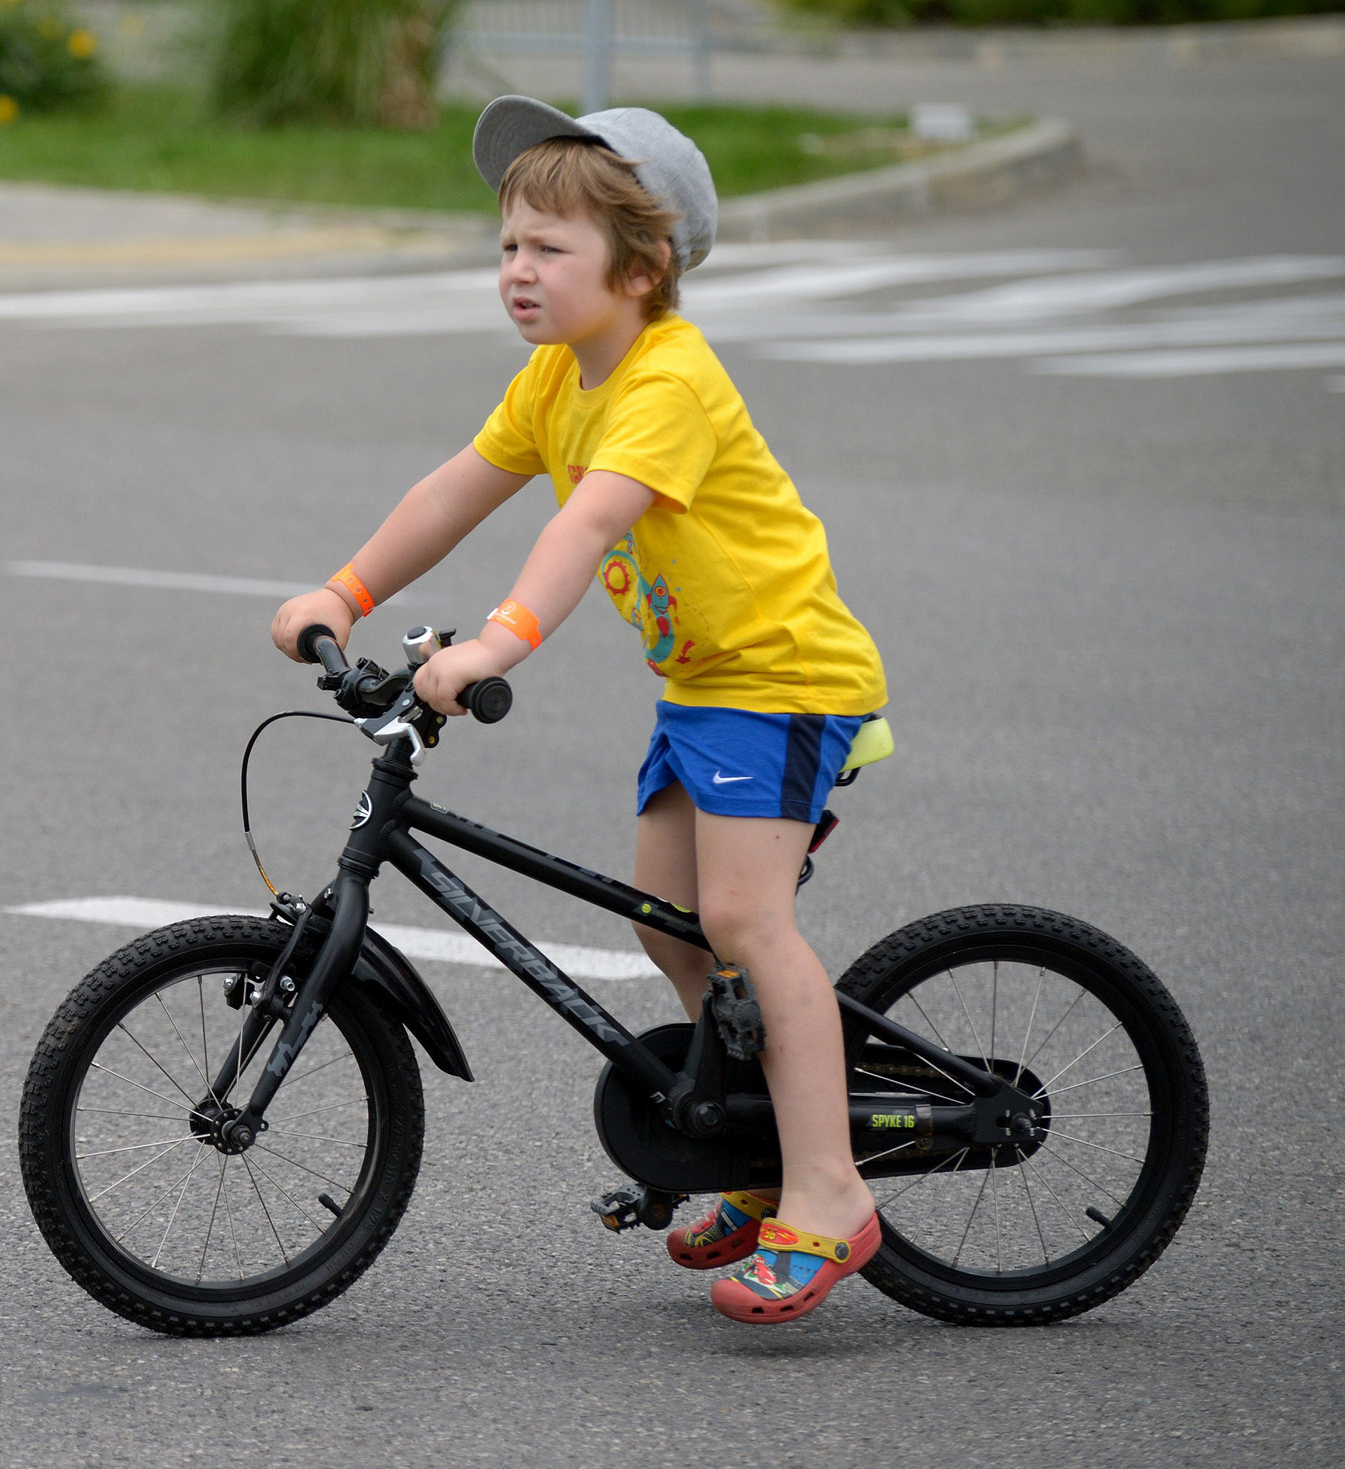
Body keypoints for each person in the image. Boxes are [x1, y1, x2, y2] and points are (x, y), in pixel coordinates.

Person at [269, 98, 889, 1325]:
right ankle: (757, 1153)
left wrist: (499, 641)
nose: (516, 270)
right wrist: (343, 589)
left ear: (641, 266)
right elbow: (458, 488)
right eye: (507, 244)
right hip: (707, 689)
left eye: (549, 248)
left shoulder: (669, 380)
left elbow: (587, 520)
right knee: (670, 926)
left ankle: (828, 1191)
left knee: (741, 919)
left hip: (786, 682)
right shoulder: (557, 379)